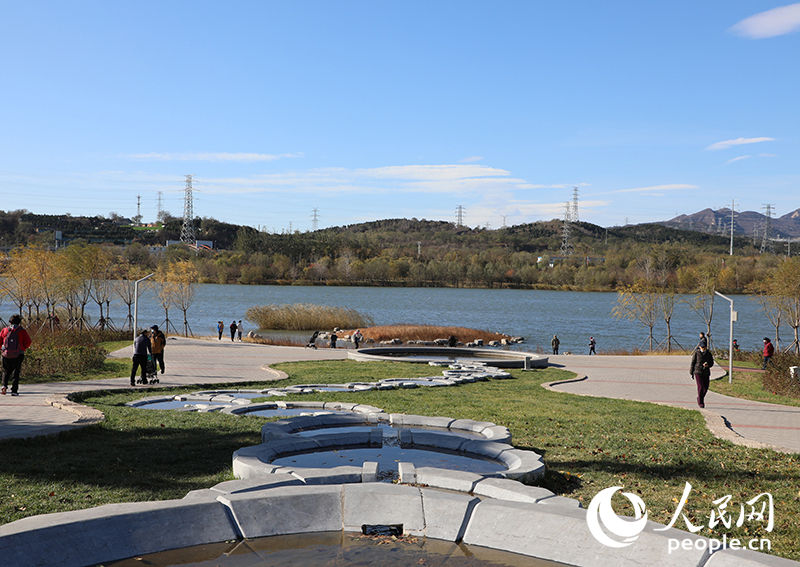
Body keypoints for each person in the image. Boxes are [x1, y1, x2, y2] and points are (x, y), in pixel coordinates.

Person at [1, 315, 33, 396]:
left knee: (6, 371)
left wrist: (3, 349)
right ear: (19, 322)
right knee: (16, 372)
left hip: (6, 354)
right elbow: (28, 342)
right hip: (19, 354)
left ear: (10, 322)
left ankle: (4, 386)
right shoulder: (22, 331)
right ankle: (14, 391)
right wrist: (23, 348)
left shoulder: (5, 330)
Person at [690, 343, 714, 408]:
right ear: (699, 347)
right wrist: (691, 372)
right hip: (698, 372)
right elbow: (693, 363)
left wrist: (708, 365)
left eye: (704, 347)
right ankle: (701, 402)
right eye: (702, 347)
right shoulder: (696, 353)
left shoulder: (708, 354)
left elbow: (712, 363)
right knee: (700, 387)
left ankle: (699, 397)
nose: (703, 348)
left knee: (705, 388)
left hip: (706, 372)